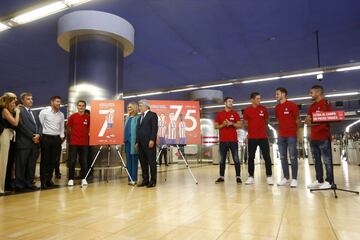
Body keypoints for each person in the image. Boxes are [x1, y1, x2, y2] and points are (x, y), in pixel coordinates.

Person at [305, 85, 333, 189]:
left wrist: (314, 120)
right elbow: (307, 121)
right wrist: (316, 121)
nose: (310, 94)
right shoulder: (311, 106)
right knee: (316, 160)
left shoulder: (326, 103)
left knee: (327, 160)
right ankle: (319, 180)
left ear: (318, 93)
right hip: (314, 137)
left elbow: (329, 118)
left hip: (324, 136)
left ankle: (329, 181)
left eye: (311, 92)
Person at [243, 92, 273, 185]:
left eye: (260, 98)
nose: (259, 100)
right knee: (250, 158)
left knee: (267, 157)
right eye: (257, 98)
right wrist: (252, 129)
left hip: (263, 137)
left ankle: (269, 176)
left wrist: (260, 128)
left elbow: (266, 121)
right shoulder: (247, 110)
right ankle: (250, 176)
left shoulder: (264, 109)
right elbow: (245, 123)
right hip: (252, 138)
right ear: (252, 99)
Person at [15, 92, 42, 192]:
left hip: (35, 143)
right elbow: (20, 126)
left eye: (31, 98)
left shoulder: (34, 112)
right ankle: (19, 184)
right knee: (21, 164)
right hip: (24, 142)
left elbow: (39, 125)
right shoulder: (19, 111)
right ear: (22, 100)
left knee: (31, 164)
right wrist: (32, 136)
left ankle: (29, 183)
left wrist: (38, 134)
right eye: (28, 99)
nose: (31, 100)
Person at [274, 87, 300, 188]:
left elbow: (297, 119)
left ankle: (294, 179)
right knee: (283, 157)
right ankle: (286, 177)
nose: (276, 96)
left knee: (293, 157)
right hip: (281, 136)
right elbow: (279, 119)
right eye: (276, 94)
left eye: (277, 94)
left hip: (291, 135)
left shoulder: (292, 105)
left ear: (284, 94)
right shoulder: (277, 108)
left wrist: (296, 132)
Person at [39, 96, 65, 189]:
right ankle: (43, 181)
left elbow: (62, 127)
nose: (59, 103)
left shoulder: (61, 115)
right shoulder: (44, 112)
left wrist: (61, 137)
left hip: (56, 139)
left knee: (54, 161)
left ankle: (49, 180)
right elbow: (40, 125)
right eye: (57, 101)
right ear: (52, 102)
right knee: (45, 160)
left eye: (60, 102)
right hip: (46, 138)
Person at [214, 97, 242, 184]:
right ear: (225, 103)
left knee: (236, 159)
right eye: (229, 101)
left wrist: (231, 123)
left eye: (232, 102)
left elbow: (240, 125)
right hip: (223, 141)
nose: (231, 103)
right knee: (222, 159)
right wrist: (223, 124)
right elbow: (216, 126)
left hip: (233, 140)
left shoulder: (235, 113)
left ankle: (238, 177)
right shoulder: (219, 114)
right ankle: (221, 177)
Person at [66, 100, 90, 187]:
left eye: (83, 105)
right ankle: (71, 179)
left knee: (84, 161)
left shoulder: (88, 117)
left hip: (84, 143)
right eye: (79, 105)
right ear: (77, 106)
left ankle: (84, 179)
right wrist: (69, 139)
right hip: (74, 143)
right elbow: (68, 129)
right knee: (72, 161)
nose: (81, 107)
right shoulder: (72, 117)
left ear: (85, 107)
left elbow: (91, 129)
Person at [0, 93, 20, 195]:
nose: (15, 103)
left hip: (10, 136)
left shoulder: (7, 110)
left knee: (8, 162)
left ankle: (5, 185)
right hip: (5, 134)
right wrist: (17, 112)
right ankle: (0, 187)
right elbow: (15, 123)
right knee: (2, 161)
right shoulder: (4, 110)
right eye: (13, 101)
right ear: (8, 101)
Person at [136, 99, 158, 188]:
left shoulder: (152, 115)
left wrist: (152, 140)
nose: (139, 107)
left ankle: (153, 181)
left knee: (151, 162)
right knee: (143, 162)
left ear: (146, 106)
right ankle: (145, 180)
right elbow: (138, 130)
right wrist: (137, 141)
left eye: (140, 106)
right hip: (141, 144)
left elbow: (154, 128)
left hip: (149, 143)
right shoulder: (140, 117)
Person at [124, 102, 140, 185]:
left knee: (134, 160)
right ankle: (129, 179)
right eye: (128, 107)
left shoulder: (138, 118)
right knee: (128, 161)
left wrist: (137, 142)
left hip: (134, 142)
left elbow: (138, 131)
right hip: (127, 142)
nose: (129, 109)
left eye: (130, 107)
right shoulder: (127, 118)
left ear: (134, 108)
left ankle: (134, 178)